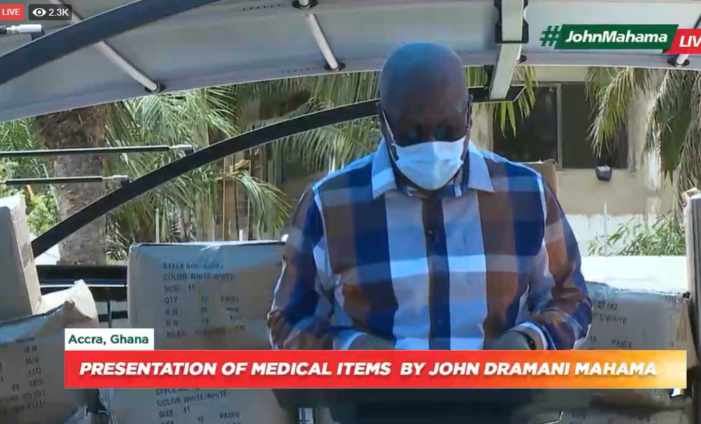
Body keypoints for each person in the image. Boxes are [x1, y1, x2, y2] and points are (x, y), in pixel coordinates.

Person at [267, 42, 592, 351]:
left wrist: (529, 340)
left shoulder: (527, 196)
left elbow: (571, 300)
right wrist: (355, 351)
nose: (432, 147)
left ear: (468, 113)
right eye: (410, 134)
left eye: (447, 130)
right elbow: (288, 321)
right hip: (375, 393)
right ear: (383, 121)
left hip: (497, 392)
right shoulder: (329, 206)